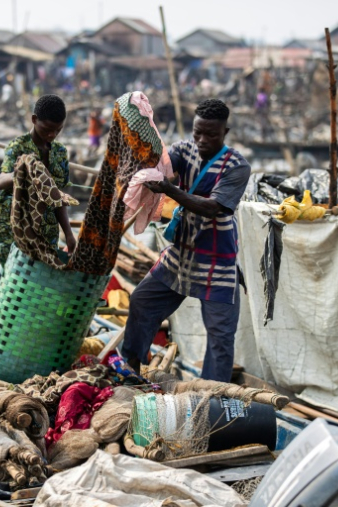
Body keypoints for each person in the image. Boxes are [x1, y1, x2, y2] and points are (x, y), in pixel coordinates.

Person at [121, 99, 251, 383]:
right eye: (198, 133)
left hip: (217, 258)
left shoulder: (237, 166)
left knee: (220, 336)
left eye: (211, 135)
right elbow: (162, 164)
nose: (202, 141)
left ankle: (212, 394)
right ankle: (129, 371)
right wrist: (143, 154)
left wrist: (169, 189)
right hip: (182, 252)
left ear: (225, 132)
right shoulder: (183, 149)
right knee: (142, 301)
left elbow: (212, 207)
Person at [0, 94, 76, 301]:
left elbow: (58, 197)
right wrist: (25, 170)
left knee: (39, 286)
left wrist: (69, 235)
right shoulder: (17, 147)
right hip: (13, 227)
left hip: (45, 229)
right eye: (47, 130)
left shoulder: (60, 153)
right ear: (34, 120)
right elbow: (1, 181)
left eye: (58, 130)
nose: (52, 135)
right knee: (5, 284)